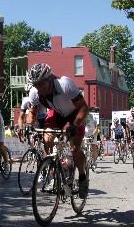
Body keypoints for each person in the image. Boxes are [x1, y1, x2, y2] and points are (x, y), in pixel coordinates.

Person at [26, 63, 90, 198]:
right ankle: (54, 172)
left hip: (76, 113)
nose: (39, 88)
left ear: (49, 79)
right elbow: (32, 112)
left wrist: (74, 126)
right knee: (47, 138)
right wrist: (28, 125)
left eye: (41, 83)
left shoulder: (65, 84)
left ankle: (83, 177)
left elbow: (84, 108)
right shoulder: (34, 92)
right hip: (57, 114)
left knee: (74, 148)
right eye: (35, 84)